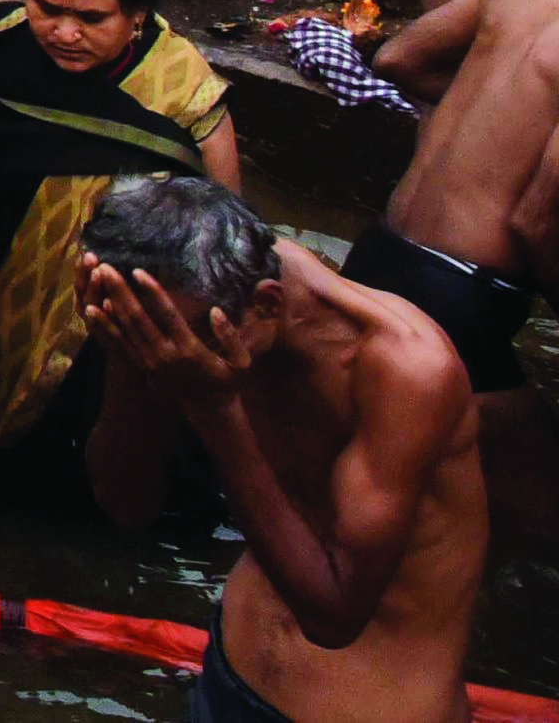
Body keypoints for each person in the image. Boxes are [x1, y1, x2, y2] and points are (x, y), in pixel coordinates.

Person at [80, 175, 487, 723]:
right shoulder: (192, 304)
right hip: (229, 671)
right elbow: (126, 505)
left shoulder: (404, 371)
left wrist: (215, 408)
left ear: (267, 305)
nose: (168, 353)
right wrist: (126, 358)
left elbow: (335, 617)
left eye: (172, 338)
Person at [0, 0, 241, 466]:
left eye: (92, 19)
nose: (64, 33)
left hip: (102, 340)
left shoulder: (185, 95)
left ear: (136, 11)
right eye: (45, 8)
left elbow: (223, 245)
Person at [359, 0, 559, 542]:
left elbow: (396, 59)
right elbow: (537, 224)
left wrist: (502, 118)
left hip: (376, 256)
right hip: (459, 308)